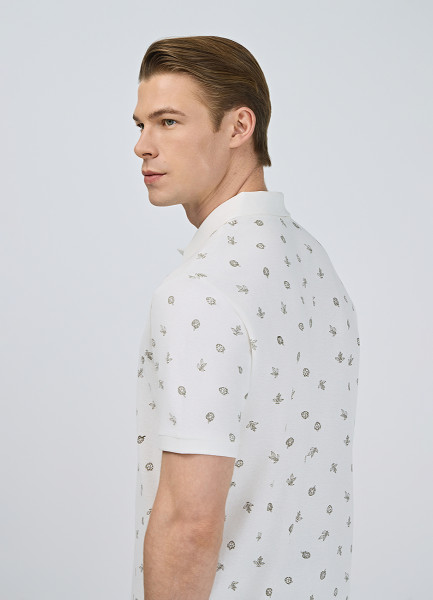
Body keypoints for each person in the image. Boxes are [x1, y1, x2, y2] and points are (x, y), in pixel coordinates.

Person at [131, 35, 360, 600]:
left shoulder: (198, 292)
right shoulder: (316, 266)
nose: (142, 146)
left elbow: (189, 522)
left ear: (239, 127)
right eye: (140, 125)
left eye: (168, 122)